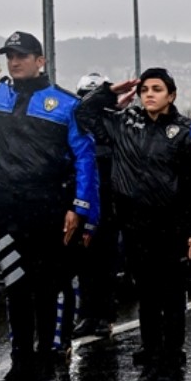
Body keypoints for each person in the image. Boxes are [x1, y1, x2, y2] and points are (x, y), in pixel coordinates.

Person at [0, 31, 100, 381]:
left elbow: (85, 157)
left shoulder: (64, 104)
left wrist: (81, 208)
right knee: (15, 287)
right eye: (11, 56)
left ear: (40, 60)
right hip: (3, 209)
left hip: (46, 209)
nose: (15, 62)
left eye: (23, 56)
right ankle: (20, 367)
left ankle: (46, 365)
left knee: (46, 291)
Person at [78, 67, 191, 381]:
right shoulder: (126, 124)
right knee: (148, 302)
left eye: (157, 89)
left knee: (171, 301)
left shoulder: (185, 133)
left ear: (171, 95)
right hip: (136, 227)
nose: (149, 94)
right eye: (145, 89)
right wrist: (109, 92)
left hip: (172, 228)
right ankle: (152, 364)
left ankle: (170, 365)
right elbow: (83, 113)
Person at [70, 72, 118, 339]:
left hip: (109, 207)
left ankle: (105, 316)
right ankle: (86, 315)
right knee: (84, 264)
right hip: (85, 203)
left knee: (106, 264)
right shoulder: (77, 129)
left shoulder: (113, 126)